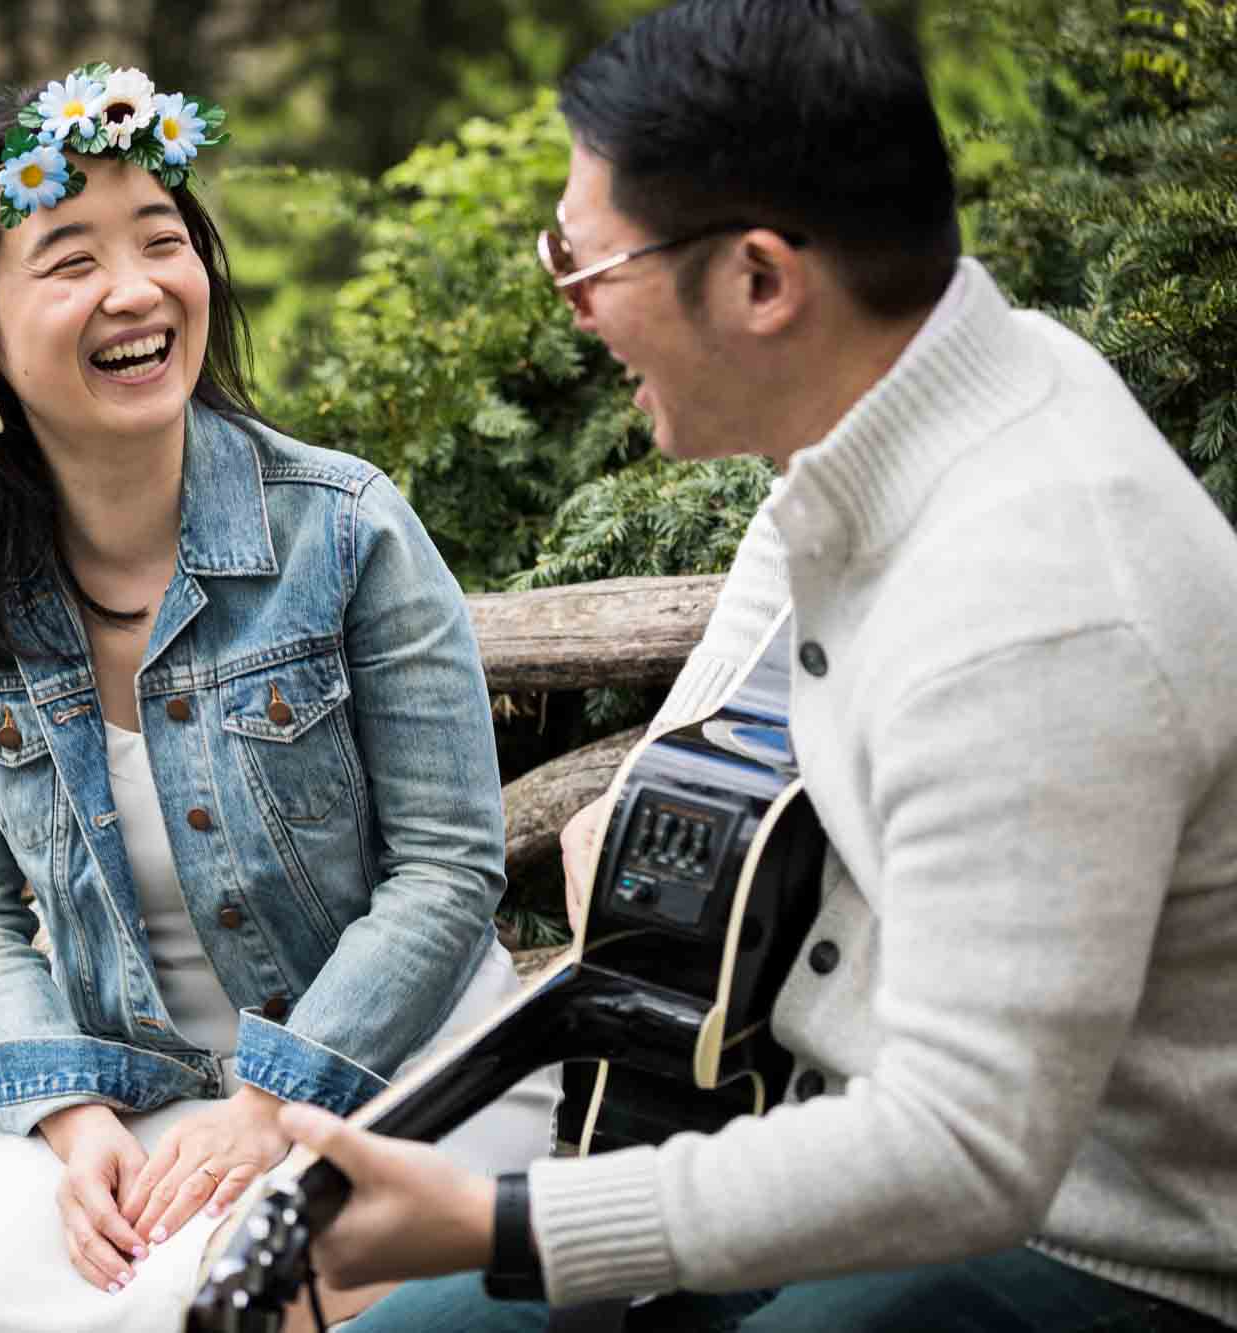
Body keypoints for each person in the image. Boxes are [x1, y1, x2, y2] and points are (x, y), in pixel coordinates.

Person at [275, 2, 1237, 1330]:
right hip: (810, 1123)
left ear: (762, 282)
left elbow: (970, 1150)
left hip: (1094, 1240)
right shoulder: (944, 386)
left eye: (583, 268)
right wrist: (673, 773)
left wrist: (507, 1221)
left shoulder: (1043, 612)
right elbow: (800, 549)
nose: (572, 310)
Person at [0, 63, 559, 1333]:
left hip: (392, 1063)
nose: (134, 290)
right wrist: (70, 1119)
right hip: (116, 1093)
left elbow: (448, 868)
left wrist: (268, 1107)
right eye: (67, 259)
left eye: (161, 241)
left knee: (213, 1304)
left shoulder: (344, 528)